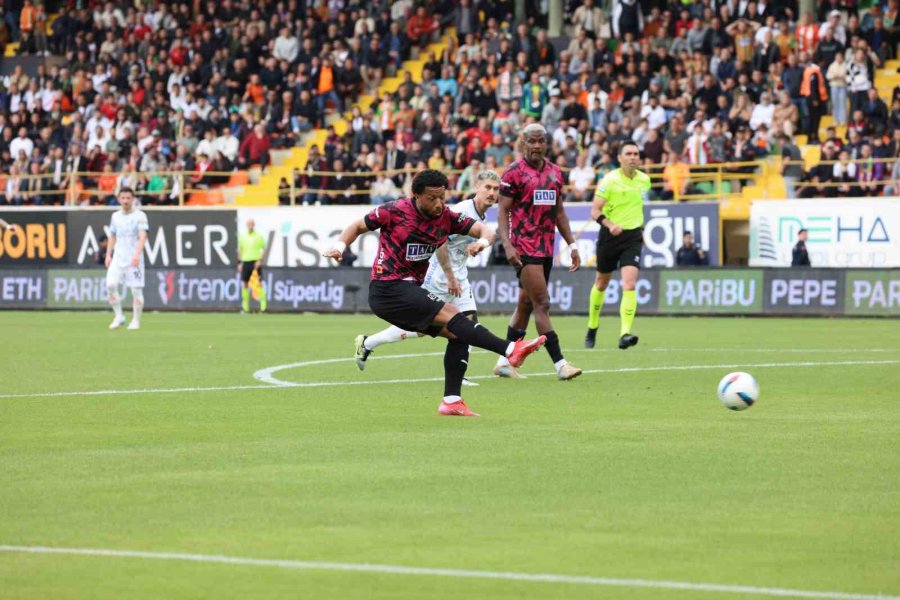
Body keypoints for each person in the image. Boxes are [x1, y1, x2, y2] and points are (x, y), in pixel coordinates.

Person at [322, 169, 547, 417]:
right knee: (454, 315)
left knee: (459, 333)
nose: (439, 203)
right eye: (432, 198)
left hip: (411, 289)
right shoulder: (394, 211)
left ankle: (451, 400)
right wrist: (340, 246)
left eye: (442, 197)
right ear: (416, 195)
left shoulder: (448, 216)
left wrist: (481, 243)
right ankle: (509, 350)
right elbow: (357, 225)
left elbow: (486, 231)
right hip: (388, 288)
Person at [354, 170, 502, 388]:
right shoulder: (459, 210)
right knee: (431, 327)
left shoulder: (481, 215)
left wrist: (480, 245)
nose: (491, 193)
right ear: (476, 187)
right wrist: (450, 276)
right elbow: (440, 241)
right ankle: (368, 342)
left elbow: (483, 235)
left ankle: (457, 380)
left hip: (459, 276)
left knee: (463, 324)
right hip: (440, 276)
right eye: (487, 188)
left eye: (496, 189)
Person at [493, 123, 583, 381]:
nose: (535, 146)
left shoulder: (555, 173)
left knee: (524, 304)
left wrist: (572, 245)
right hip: (524, 248)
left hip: (546, 248)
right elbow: (502, 211)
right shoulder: (513, 173)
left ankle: (503, 361)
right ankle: (560, 364)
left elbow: (560, 212)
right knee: (542, 303)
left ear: (546, 144)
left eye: (540, 141)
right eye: (530, 141)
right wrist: (507, 244)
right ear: (523, 143)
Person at [584, 142, 651, 350]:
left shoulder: (644, 180)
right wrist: (610, 224)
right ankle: (592, 326)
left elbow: (638, 206)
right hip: (610, 236)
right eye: (628, 154)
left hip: (632, 237)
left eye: (636, 154)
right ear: (620, 158)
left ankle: (625, 333)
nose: (633, 157)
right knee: (602, 283)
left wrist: (642, 228)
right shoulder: (609, 180)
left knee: (629, 284)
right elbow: (595, 210)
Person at [105, 188, 148, 331]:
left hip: (133, 260)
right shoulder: (115, 216)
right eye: (123, 198)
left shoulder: (140, 216)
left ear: (133, 199)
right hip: (118, 257)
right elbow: (112, 236)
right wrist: (108, 254)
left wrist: (137, 254)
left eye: (128, 198)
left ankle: (136, 320)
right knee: (110, 285)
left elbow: (143, 237)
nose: (125, 201)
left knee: (136, 291)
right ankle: (119, 316)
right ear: (118, 199)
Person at [237, 219, 268, 313]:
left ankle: (263, 308)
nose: (250, 225)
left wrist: (260, 260)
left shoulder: (259, 236)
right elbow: (240, 250)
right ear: (246, 225)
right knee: (245, 284)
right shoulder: (243, 236)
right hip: (246, 262)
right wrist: (239, 263)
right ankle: (245, 308)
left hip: (255, 262)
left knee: (259, 284)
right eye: (248, 224)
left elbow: (264, 249)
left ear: (254, 225)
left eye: (251, 224)